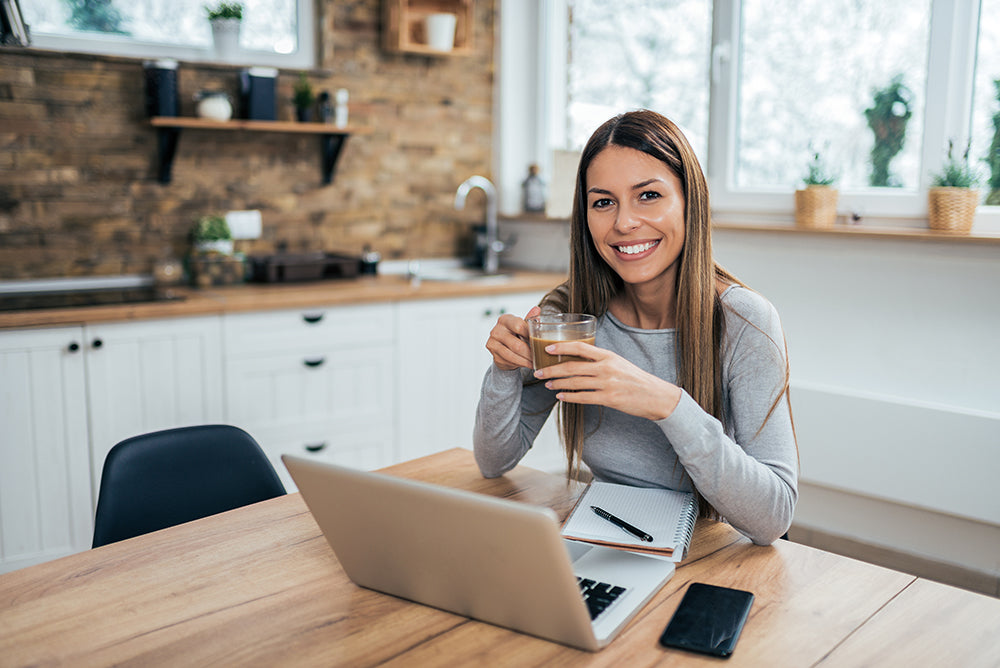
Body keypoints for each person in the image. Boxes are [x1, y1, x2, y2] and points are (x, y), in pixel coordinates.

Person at [472, 109, 797, 545]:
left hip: (713, 550)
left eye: (648, 195)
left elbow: (774, 517)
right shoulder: (571, 316)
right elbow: (494, 461)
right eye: (603, 202)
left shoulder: (745, 321)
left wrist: (666, 403)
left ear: (689, 200)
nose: (624, 222)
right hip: (606, 538)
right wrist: (504, 372)